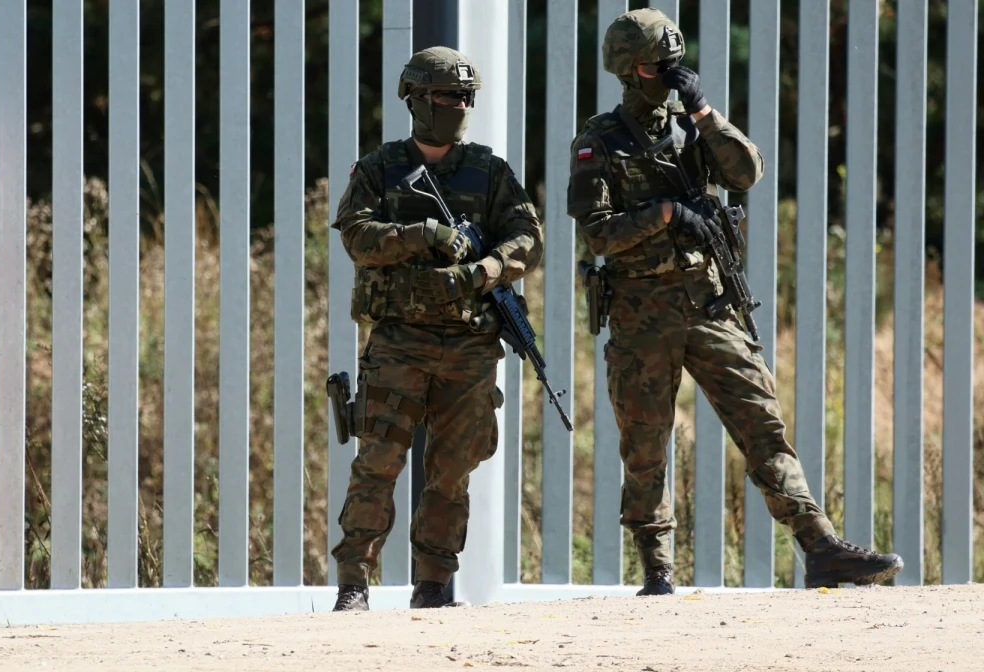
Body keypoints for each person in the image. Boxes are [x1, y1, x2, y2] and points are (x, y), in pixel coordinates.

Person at [567, 8, 903, 595]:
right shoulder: (600, 140)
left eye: (675, 62)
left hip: (708, 303)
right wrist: (667, 213)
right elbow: (597, 233)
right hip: (641, 312)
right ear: (628, 70)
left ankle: (820, 547)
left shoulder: (692, 127)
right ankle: (657, 569)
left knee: (762, 424)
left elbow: (746, 172)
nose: (670, 72)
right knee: (645, 442)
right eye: (657, 65)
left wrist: (704, 111)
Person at [328, 46, 544, 611]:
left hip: (470, 344)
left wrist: (486, 269)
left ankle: (432, 586)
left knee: (452, 472)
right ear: (419, 100)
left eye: (466, 96)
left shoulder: (490, 171)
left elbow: (527, 239)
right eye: (448, 95)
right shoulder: (380, 169)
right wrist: (421, 234)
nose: (459, 105)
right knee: (377, 462)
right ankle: (354, 582)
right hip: (400, 341)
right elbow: (356, 236)